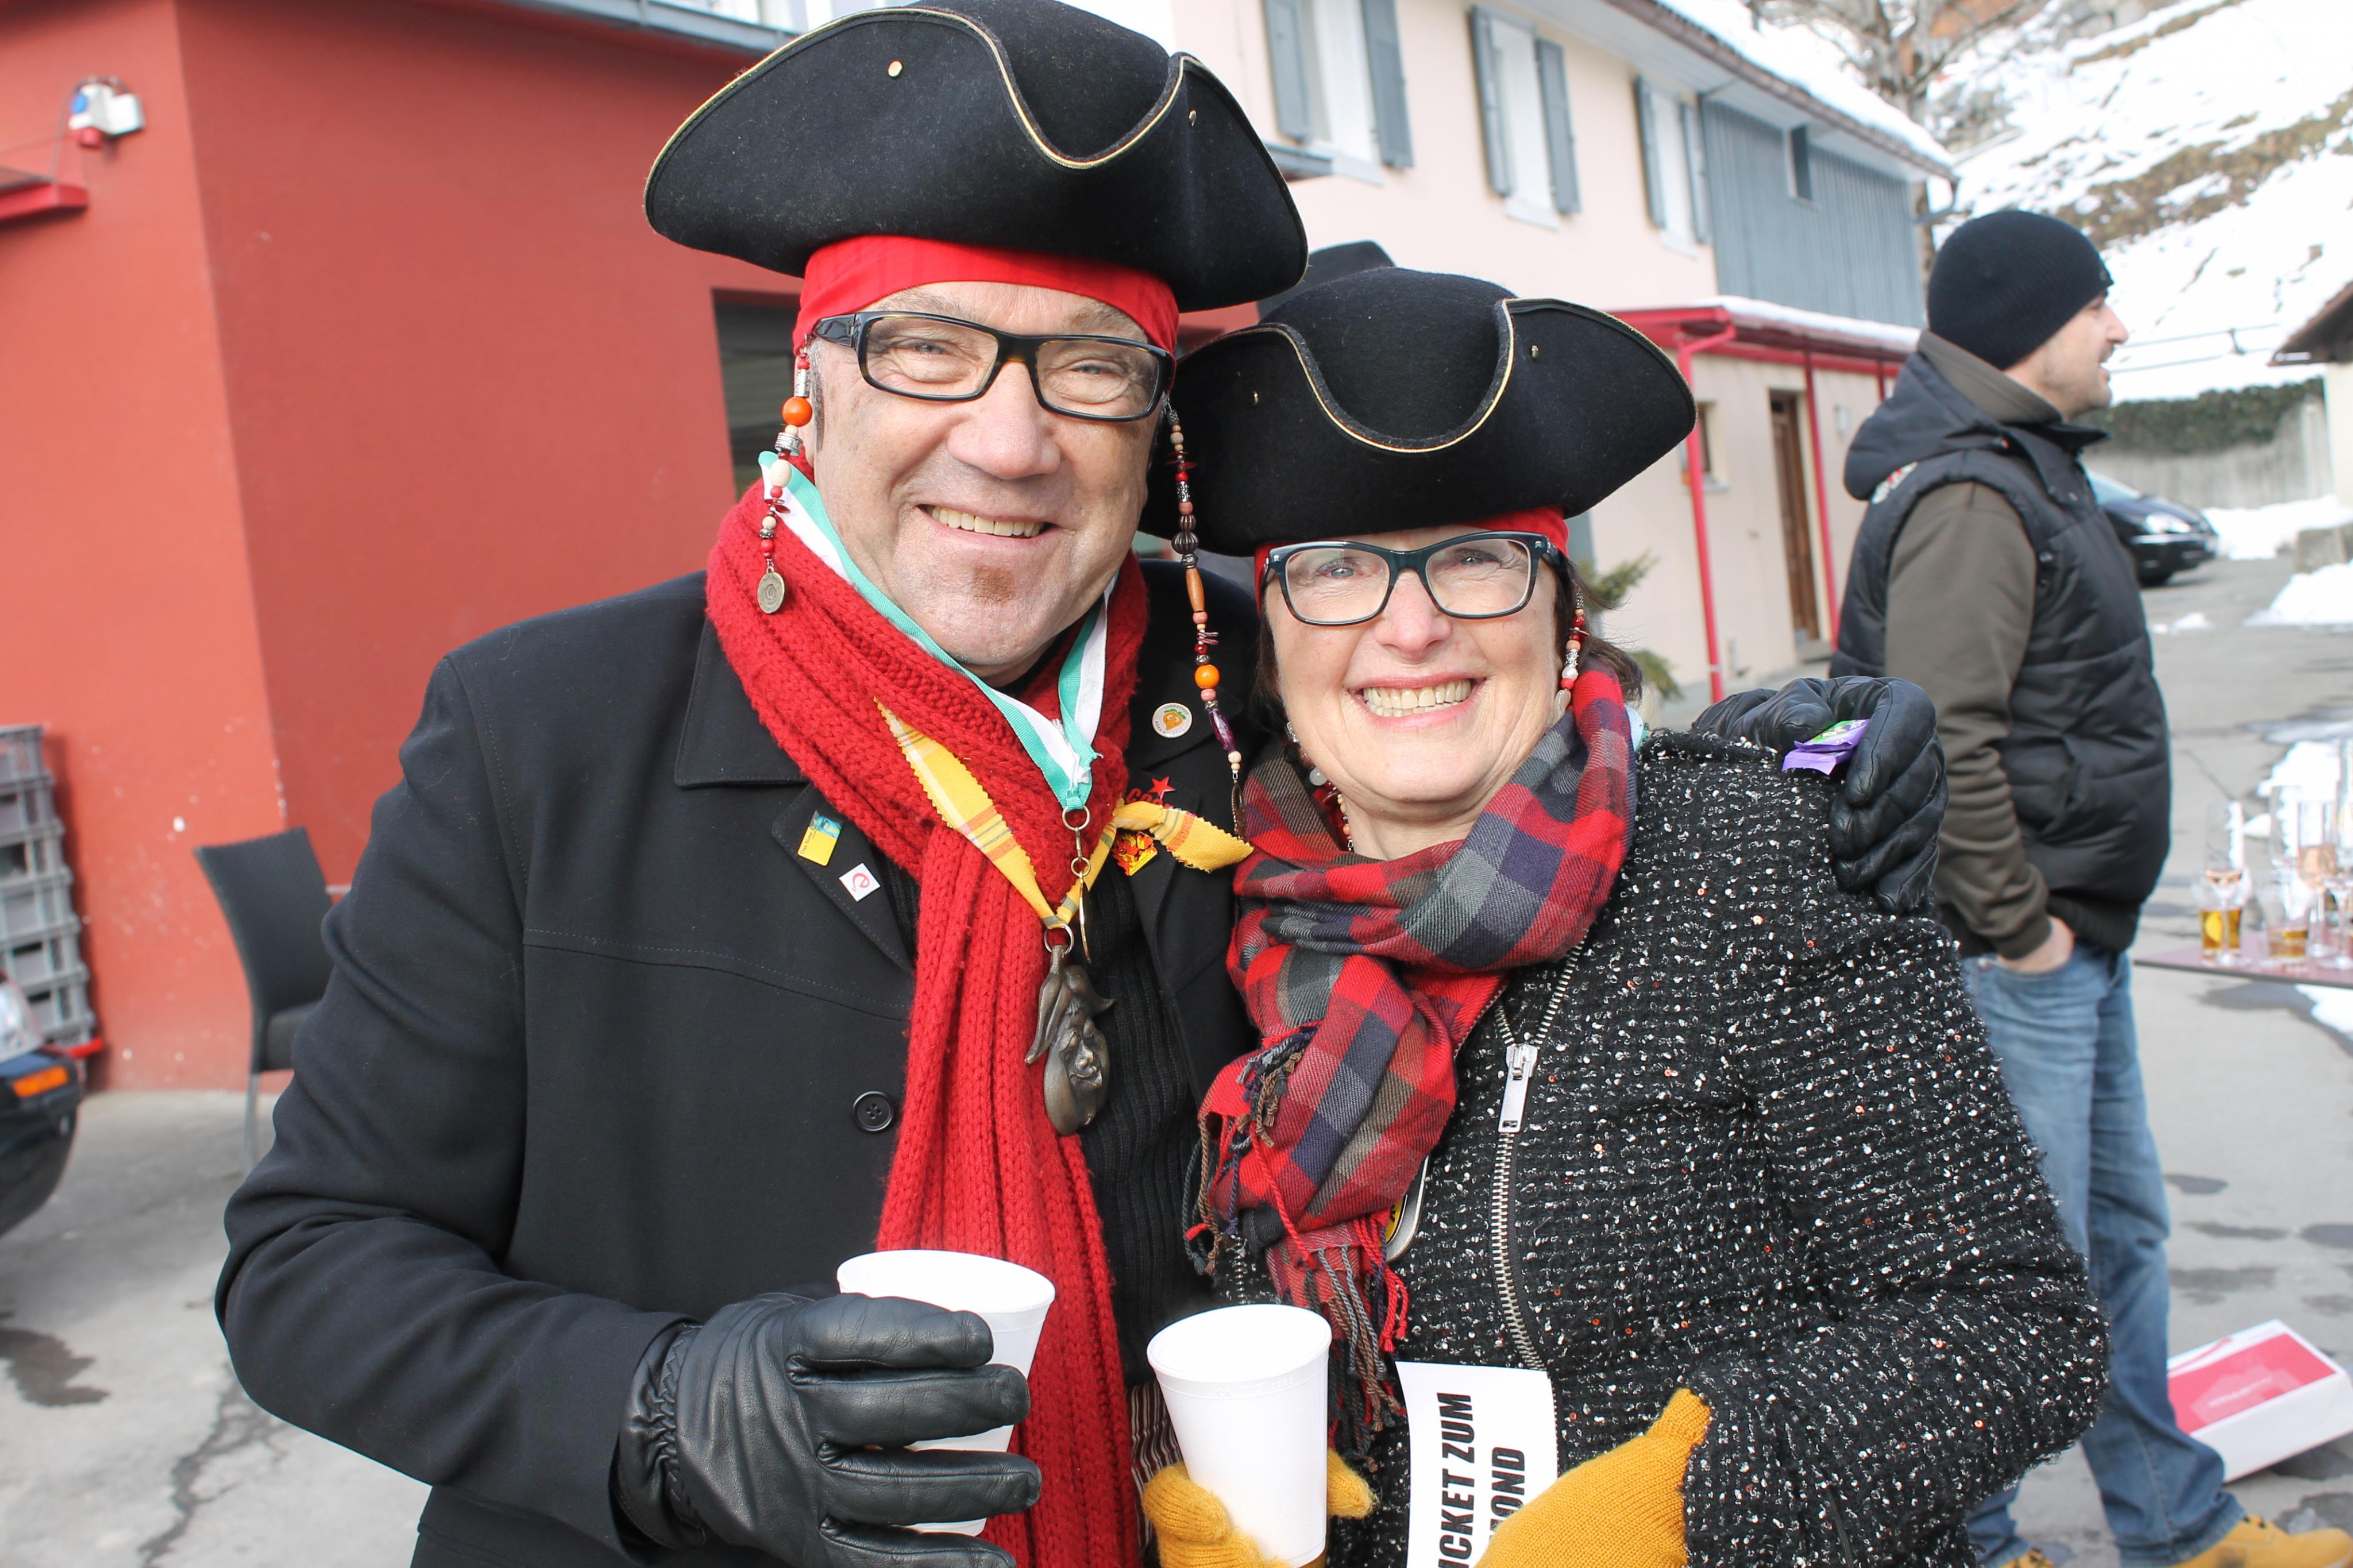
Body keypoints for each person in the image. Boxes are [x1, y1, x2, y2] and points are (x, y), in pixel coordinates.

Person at [214, 16, 1947, 1568]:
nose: (1009, 439)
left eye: (1090, 366)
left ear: (1152, 428)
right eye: (927, 348)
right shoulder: (540, 734)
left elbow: (1488, 728)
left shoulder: (1240, 670)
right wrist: (658, 1410)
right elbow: (309, 1262)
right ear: (811, 380)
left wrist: (1784, 764)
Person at [1137, 261, 2107, 1568]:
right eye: (1336, 569)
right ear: (1269, 629)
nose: (1410, 628)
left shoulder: (1752, 859)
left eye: (1476, 560)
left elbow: (2016, 1330)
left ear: (1560, 608)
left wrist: (1686, 1505)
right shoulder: (1210, 897)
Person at [1833, 210, 2353, 1568]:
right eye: (2094, 305)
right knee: (2013, 1272)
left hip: (2067, 943)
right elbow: (1935, 736)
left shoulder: (2024, 467)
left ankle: (2177, 1525)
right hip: (2005, 956)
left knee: (2114, 1238)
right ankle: (1971, 1541)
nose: (2116, 327)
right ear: (2024, 325)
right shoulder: (1969, 496)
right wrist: (2020, 929)